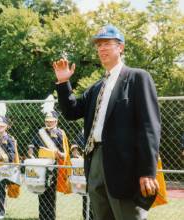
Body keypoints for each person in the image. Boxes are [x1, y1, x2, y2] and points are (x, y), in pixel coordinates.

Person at [53, 24, 161, 220]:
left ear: (121, 47)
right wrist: (63, 83)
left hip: (125, 166)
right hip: (95, 161)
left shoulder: (137, 78)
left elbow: (149, 127)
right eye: (98, 45)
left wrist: (147, 171)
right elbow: (71, 111)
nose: (101, 49)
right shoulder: (96, 87)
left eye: (107, 44)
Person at [29, 110, 71, 220]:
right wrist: (31, 152)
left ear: (56, 121)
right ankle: (42, 217)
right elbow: (32, 146)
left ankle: (50, 217)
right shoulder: (41, 132)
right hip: (40, 167)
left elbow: (64, 154)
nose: (49, 123)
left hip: (53, 168)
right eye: (47, 121)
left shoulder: (60, 133)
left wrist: (58, 153)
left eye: (51, 121)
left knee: (51, 195)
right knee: (41, 192)